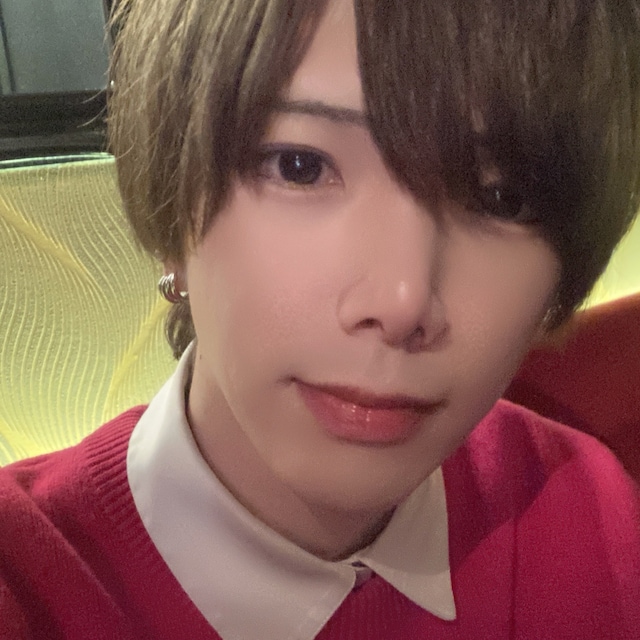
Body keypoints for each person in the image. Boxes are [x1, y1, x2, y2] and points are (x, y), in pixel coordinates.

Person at [1, 0, 640, 638]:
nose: (401, 302)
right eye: (300, 167)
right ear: (175, 208)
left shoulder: (587, 512)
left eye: (501, 199)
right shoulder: (26, 581)